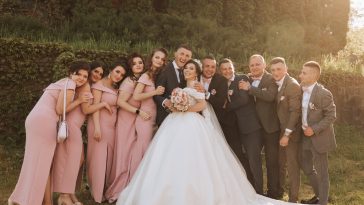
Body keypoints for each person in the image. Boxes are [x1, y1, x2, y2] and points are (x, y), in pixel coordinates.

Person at [116, 59, 304, 205]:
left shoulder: (197, 86)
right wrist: (175, 106)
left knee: (197, 159)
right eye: (186, 69)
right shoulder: (179, 88)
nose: (188, 71)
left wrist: (184, 109)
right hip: (174, 124)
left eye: (191, 69)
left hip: (192, 123)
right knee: (170, 157)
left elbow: (201, 104)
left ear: (196, 72)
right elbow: (175, 105)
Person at [8, 61, 91, 205]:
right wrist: (78, 101)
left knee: (34, 162)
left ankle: (19, 198)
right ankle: (38, 201)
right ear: (71, 73)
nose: (81, 78)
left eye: (85, 76)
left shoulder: (61, 82)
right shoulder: (70, 85)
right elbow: (60, 110)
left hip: (34, 119)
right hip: (45, 122)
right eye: (78, 74)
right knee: (43, 164)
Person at [105, 51, 166, 202]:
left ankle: (133, 184)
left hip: (136, 118)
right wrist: (139, 110)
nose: (138, 65)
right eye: (134, 63)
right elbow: (121, 102)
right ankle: (122, 187)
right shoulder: (130, 81)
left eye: (140, 63)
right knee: (124, 152)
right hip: (127, 118)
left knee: (132, 152)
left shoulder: (144, 77)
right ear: (130, 67)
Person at [53, 61, 112, 205]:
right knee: (73, 161)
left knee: (78, 161)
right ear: (89, 71)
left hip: (76, 126)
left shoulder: (87, 86)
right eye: (96, 71)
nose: (98, 75)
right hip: (72, 126)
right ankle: (64, 196)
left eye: (101, 73)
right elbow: (86, 110)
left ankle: (69, 193)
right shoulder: (85, 85)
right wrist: (103, 104)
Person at [239, 54, 281, 199]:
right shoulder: (246, 79)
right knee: (253, 159)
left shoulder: (271, 79)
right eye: (252, 65)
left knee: (271, 162)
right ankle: (257, 191)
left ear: (264, 66)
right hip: (254, 129)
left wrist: (250, 88)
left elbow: (269, 96)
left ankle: (273, 192)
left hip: (270, 127)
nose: (255, 67)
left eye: (257, 64)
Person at [220, 58, 263, 194]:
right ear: (221, 71)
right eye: (224, 69)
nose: (227, 71)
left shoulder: (242, 78)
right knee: (241, 159)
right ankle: (248, 187)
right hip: (236, 128)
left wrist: (226, 107)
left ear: (234, 68)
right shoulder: (222, 84)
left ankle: (259, 192)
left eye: (229, 68)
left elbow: (244, 99)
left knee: (254, 160)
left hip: (250, 126)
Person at [86, 61, 127, 203]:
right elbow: (95, 107)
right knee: (98, 158)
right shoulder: (98, 86)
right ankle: (96, 193)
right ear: (111, 70)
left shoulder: (115, 88)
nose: (119, 76)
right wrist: (97, 127)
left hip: (111, 128)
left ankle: (104, 189)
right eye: (117, 72)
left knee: (108, 160)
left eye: (122, 74)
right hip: (99, 125)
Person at [299, 61, 336, 205]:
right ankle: (319, 195)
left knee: (322, 173)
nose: (300, 75)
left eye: (304, 73)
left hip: (319, 138)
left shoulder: (324, 93)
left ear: (314, 75)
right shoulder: (300, 88)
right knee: (306, 166)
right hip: (305, 137)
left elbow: (331, 116)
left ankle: (323, 202)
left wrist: (313, 129)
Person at [270, 57, 302, 202]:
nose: (276, 72)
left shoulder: (292, 85)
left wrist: (287, 135)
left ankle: (293, 199)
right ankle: (279, 194)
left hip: (291, 132)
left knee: (292, 166)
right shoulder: (277, 82)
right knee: (281, 163)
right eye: (273, 70)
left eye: (279, 69)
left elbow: (295, 112)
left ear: (286, 70)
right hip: (281, 130)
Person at [153, 44, 192, 126]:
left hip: (182, 119)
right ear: (175, 54)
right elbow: (155, 94)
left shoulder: (188, 72)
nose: (184, 58)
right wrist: (166, 102)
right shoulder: (164, 69)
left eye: (187, 56)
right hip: (165, 117)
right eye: (182, 54)